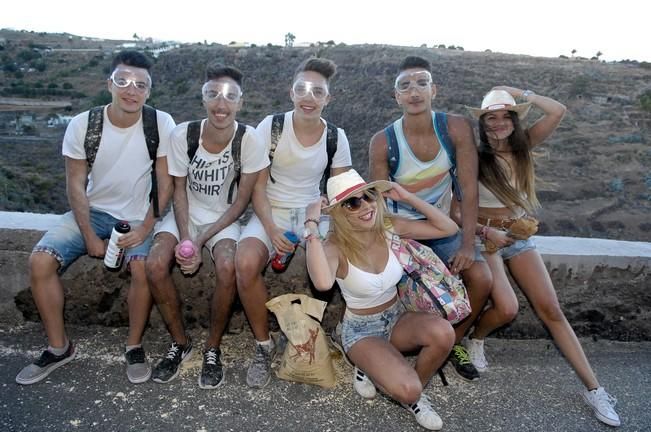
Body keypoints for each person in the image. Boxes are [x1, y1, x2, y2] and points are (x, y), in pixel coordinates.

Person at [16, 50, 176, 385]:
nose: (131, 90)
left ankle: (134, 346)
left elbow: (165, 182)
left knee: (141, 268)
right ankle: (59, 348)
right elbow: (75, 184)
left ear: (149, 90)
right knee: (40, 261)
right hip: (93, 211)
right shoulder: (83, 124)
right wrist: (89, 233)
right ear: (110, 84)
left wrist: (146, 226)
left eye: (140, 84)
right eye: (123, 81)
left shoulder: (160, 123)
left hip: (138, 216)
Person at [463, 87, 620, 427]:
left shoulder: (524, 147)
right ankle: (475, 338)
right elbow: (457, 210)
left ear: (515, 120)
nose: (500, 122)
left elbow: (557, 110)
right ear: (483, 123)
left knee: (551, 309)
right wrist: (486, 233)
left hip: (518, 234)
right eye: (492, 116)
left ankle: (595, 390)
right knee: (507, 308)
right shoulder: (473, 156)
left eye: (507, 115)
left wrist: (518, 93)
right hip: (485, 236)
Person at [369, 55, 492, 381]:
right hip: (404, 231)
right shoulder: (383, 142)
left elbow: (467, 188)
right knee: (393, 291)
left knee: (481, 279)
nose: (414, 91)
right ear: (397, 96)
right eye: (405, 86)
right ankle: (384, 350)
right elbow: (378, 203)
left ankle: (454, 342)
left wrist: (467, 244)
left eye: (421, 83)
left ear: (433, 89)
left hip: (442, 228)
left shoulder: (455, 129)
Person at [145, 63, 268, 388]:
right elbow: (179, 190)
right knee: (155, 264)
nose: (220, 103)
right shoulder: (183, 135)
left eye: (229, 96)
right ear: (203, 99)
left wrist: (200, 241)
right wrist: (187, 237)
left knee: (228, 266)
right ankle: (180, 343)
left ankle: (213, 347)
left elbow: (241, 202)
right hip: (186, 214)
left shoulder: (249, 139)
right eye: (212, 94)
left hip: (223, 219)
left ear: (240, 102)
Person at [305, 169, 457, 430]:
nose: (365, 206)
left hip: (398, 317)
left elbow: (448, 227)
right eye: (352, 203)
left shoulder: (388, 227)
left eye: (369, 196)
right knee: (406, 388)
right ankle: (377, 369)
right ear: (339, 213)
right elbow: (321, 283)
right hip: (362, 332)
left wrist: (407, 196)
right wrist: (310, 225)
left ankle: (413, 395)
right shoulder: (333, 247)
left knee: (444, 334)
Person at [234, 57, 352, 388]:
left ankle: (343, 332)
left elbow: (340, 189)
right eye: (302, 89)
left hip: (311, 212)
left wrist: (324, 215)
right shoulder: (269, 128)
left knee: (342, 260)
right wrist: (271, 229)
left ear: (328, 98)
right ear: (291, 93)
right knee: (244, 263)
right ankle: (263, 345)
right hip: (270, 210)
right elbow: (256, 187)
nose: (308, 96)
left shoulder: (336, 137)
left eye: (318, 91)